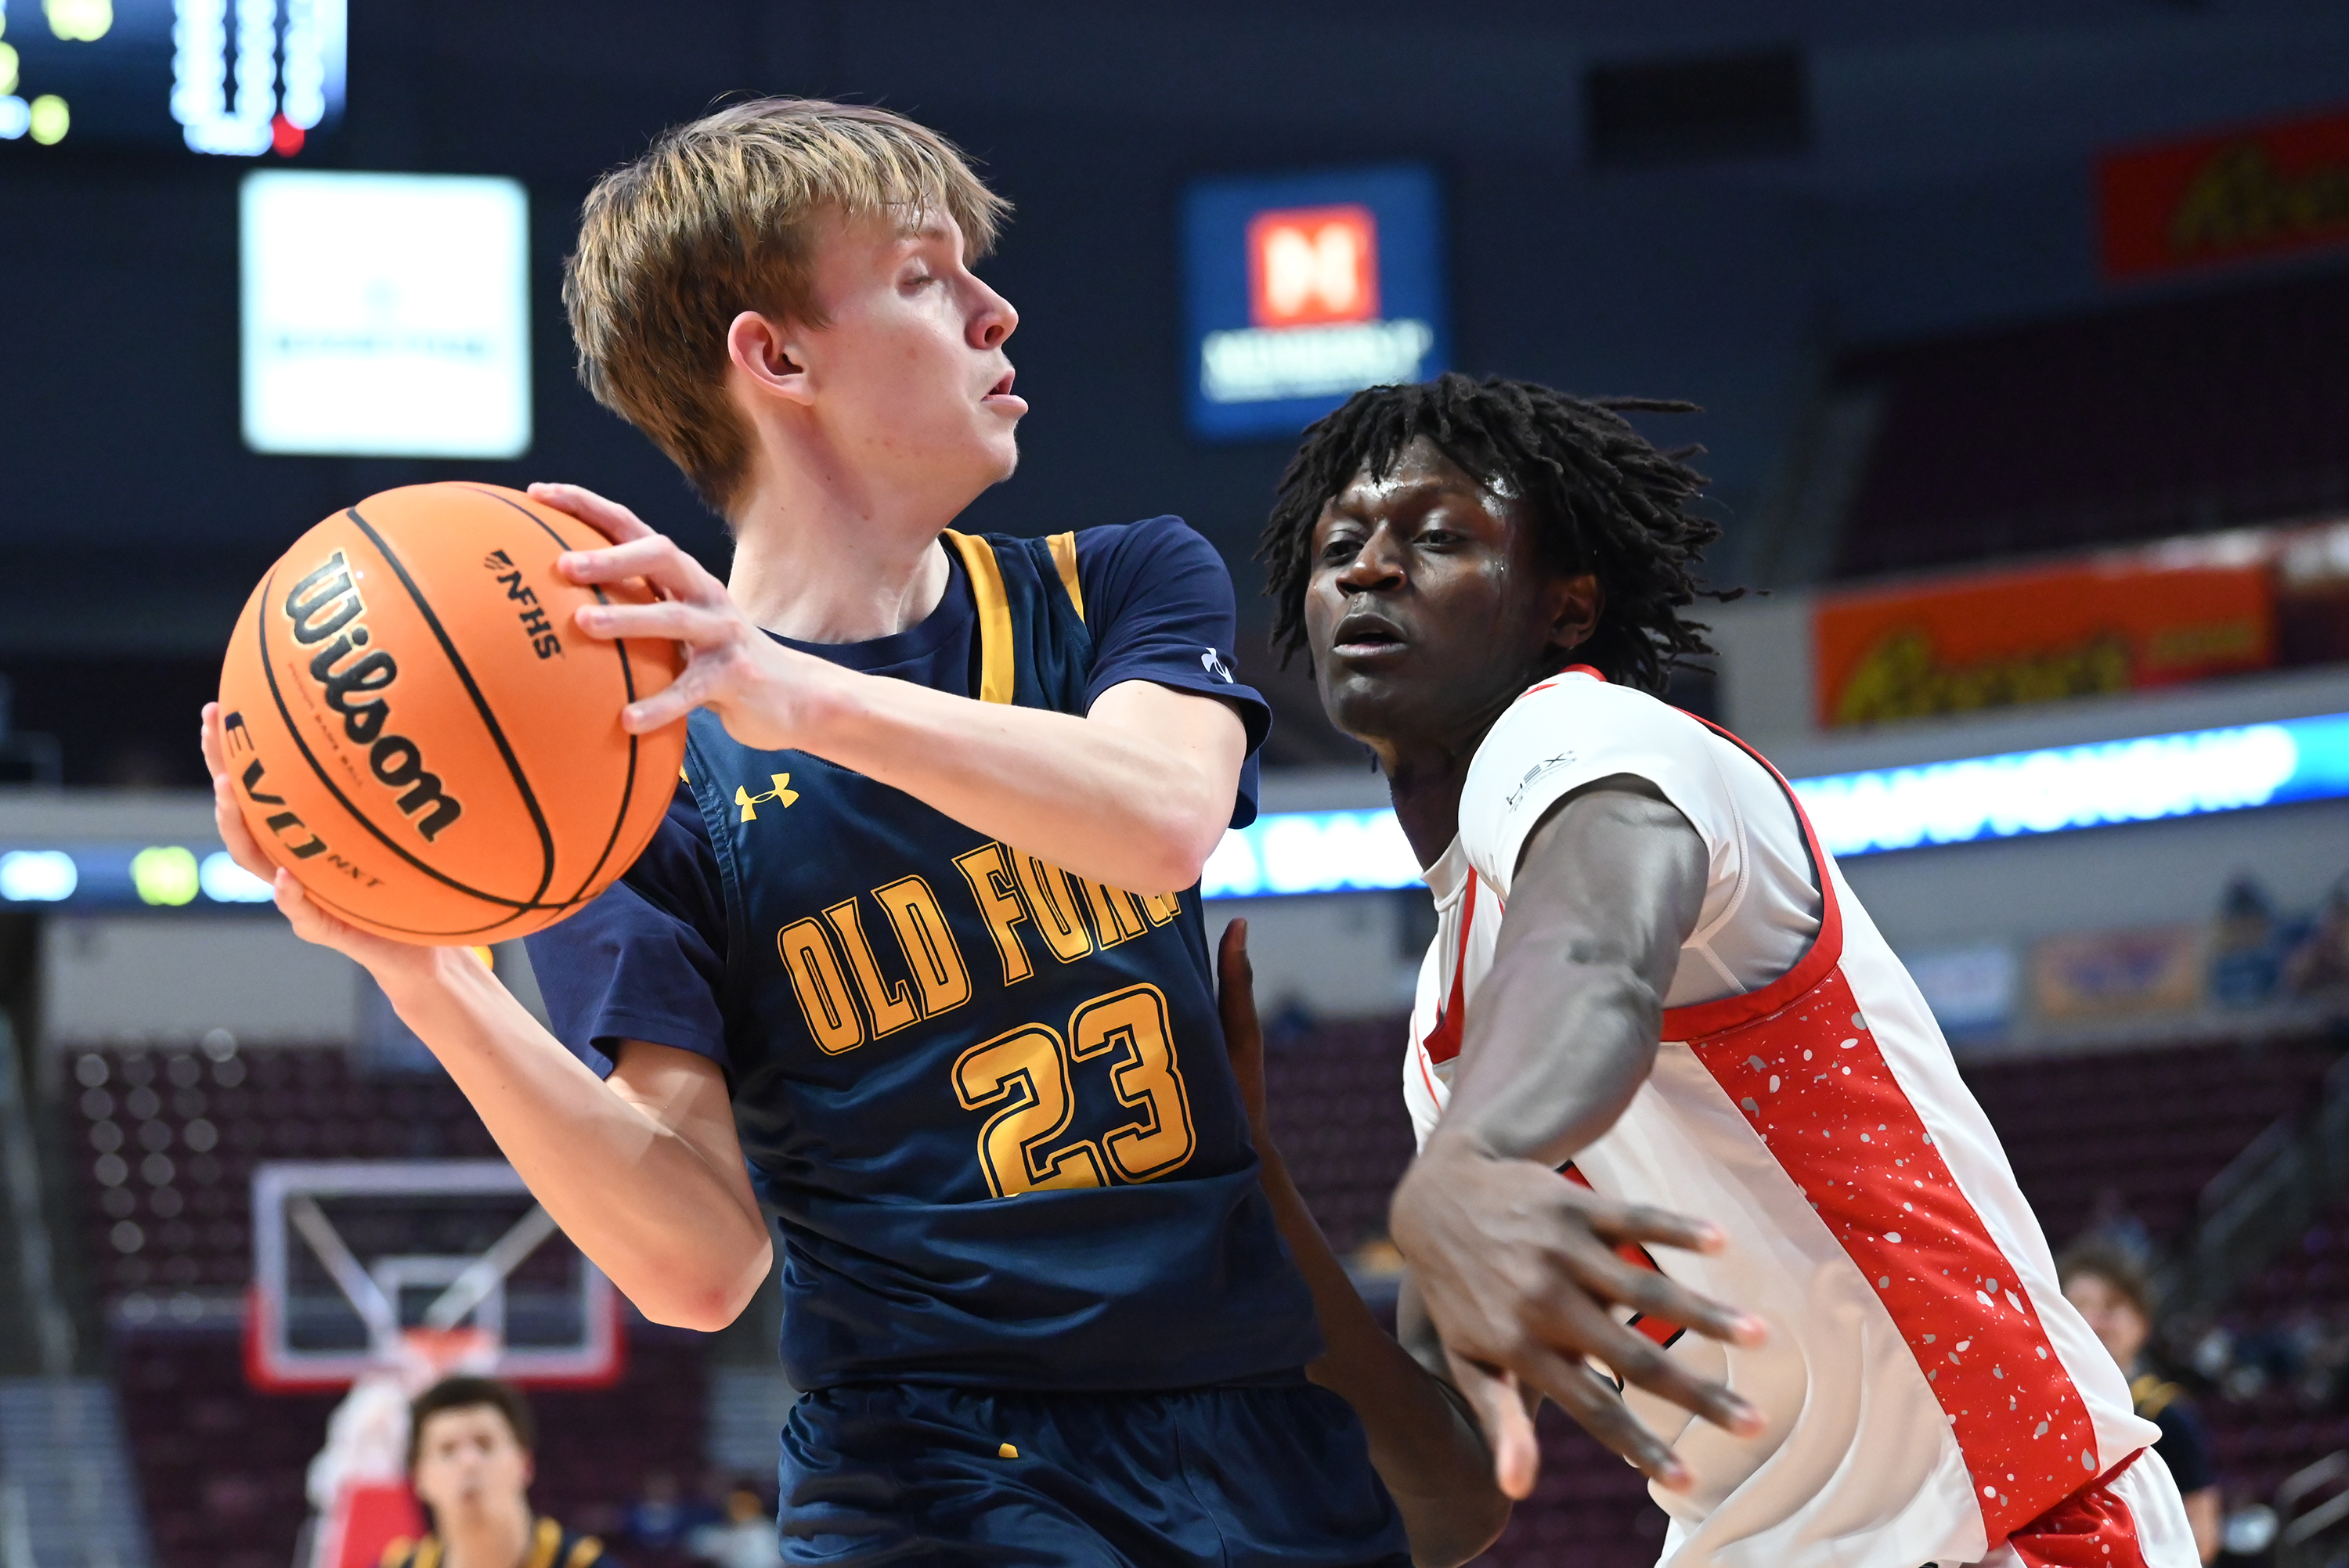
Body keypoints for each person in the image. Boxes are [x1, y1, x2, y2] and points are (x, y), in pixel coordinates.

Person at [199, 100, 1722, 1566]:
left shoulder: (1117, 583)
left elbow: (1163, 815)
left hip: (1251, 1415)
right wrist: (431, 980)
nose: (997, 312)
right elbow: (694, 1258)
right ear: (776, 354)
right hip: (928, 1463)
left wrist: (795, 692)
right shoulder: (630, 763)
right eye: (927, 278)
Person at [1255, 371, 2203, 1566]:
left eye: (1439, 536)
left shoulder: (1595, 740)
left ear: (1566, 605)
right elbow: (1448, 1493)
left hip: (2000, 1521)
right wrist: (1254, 1196)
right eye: (1342, 542)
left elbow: (1594, 949)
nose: (1371, 568)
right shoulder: (1448, 1032)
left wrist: (1476, 1157)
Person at [2061, 1243, 2223, 1563]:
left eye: (2110, 1307)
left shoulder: (2168, 1416)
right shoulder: (2034, 1413)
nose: (2092, 1322)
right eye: (2078, 1307)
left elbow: (2203, 1531)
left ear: (2142, 1323)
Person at [381, 1377, 608, 1568]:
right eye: (447, 1450)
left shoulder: (583, 1562)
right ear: (419, 1478)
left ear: (525, 1464)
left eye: (485, 1445)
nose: (468, 1463)